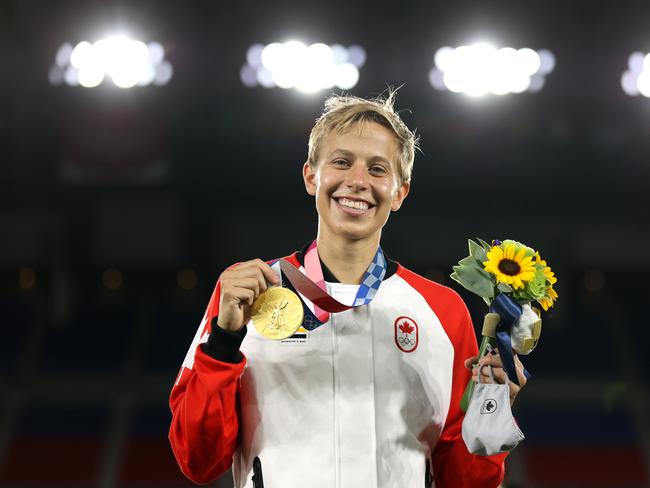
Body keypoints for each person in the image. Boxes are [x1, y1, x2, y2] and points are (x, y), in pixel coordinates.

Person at [168, 91, 527, 487]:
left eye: (377, 169)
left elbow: (467, 483)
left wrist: (491, 408)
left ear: (399, 193)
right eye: (341, 162)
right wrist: (222, 341)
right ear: (311, 176)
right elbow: (197, 460)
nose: (357, 182)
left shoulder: (443, 310)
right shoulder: (248, 293)